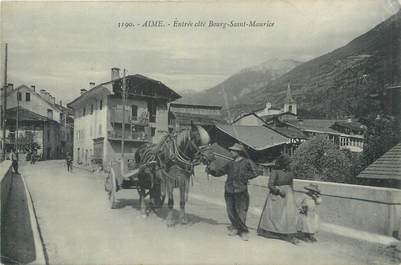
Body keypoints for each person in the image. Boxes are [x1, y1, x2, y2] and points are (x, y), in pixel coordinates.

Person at [206, 143, 259, 241]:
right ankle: (235, 227)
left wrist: (244, 177)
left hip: (241, 190)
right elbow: (219, 172)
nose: (231, 152)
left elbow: (256, 172)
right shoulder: (230, 163)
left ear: (238, 152)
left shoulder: (247, 162)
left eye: (233, 151)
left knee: (241, 212)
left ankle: (243, 231)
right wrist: (211, 171)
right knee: (231, 211)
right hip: (229, 190)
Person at [257, 154, 299, 244]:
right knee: (275, 215)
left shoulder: (290, 172)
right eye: (288, 163)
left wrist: (292, 195)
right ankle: (273, 232)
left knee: (288, 216)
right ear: (283, 163)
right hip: (276, 196)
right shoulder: (275, 171)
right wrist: (278, 191)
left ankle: (286, 234)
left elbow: (291, 185)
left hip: (288, 197)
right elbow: (270, 185)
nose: (289, 165)